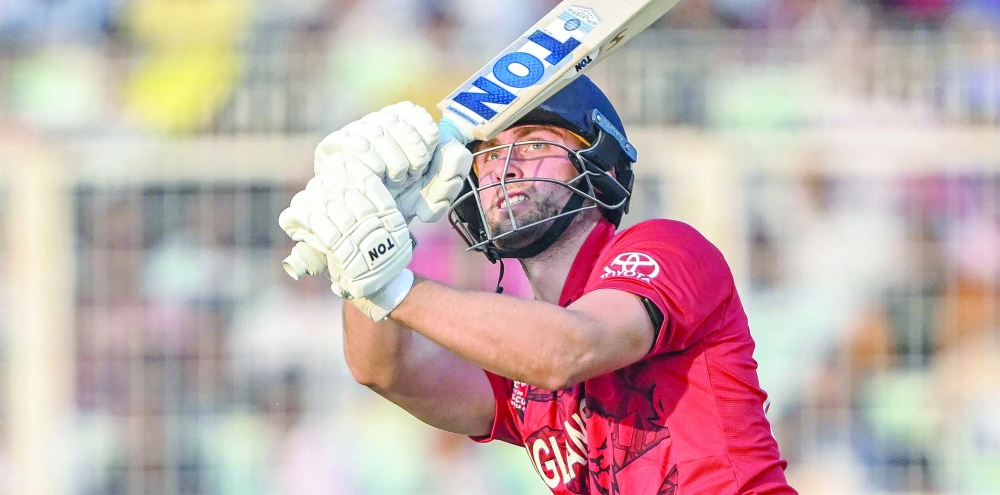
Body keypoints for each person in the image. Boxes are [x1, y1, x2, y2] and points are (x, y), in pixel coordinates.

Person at [279, 78, 796, 494]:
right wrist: (366, 250)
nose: (505, 166)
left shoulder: (667, 246)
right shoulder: (516, 355)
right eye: (488, 154)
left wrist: (394, 287)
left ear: (598, 165)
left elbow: (568, 348)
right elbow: (383, 369)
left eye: (533, 142)